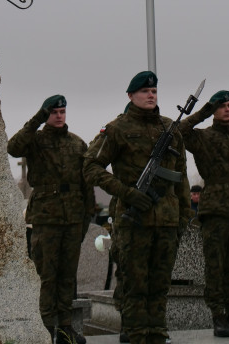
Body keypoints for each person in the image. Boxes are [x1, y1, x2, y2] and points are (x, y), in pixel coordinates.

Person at [83, 71, 191, 344]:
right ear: (131, 96)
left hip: (167, 220)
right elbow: (90, 166)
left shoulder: (170, 129)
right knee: (133, 282)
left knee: (160, 283)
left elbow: (182, 178)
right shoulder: (117, 129)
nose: (150, 95)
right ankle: (134, 333)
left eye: (154, 91)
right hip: (133, 221)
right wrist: (126, 193)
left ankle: (156, 333)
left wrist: (183, 217)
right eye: (144, 91)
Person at [7, 95, 94, 344]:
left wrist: (87, 216)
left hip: (73, 218)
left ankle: (65, 328)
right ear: (47, 114)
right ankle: (45, 329)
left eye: (62, 111)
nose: (59, 116)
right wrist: (36, 119)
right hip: (46, 217)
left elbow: (86, 182)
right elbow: (13, 147)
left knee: (67, 275)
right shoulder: (35, 140)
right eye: (54, 112)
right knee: (46, 275)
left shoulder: (77, 144)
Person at [179, 89, 229, 338]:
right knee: (215, 265)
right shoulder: (204, 138)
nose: (227, 109)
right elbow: (179, 133)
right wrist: (203, 111)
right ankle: (218, 316)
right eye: (222, 106)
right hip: (215, 210)